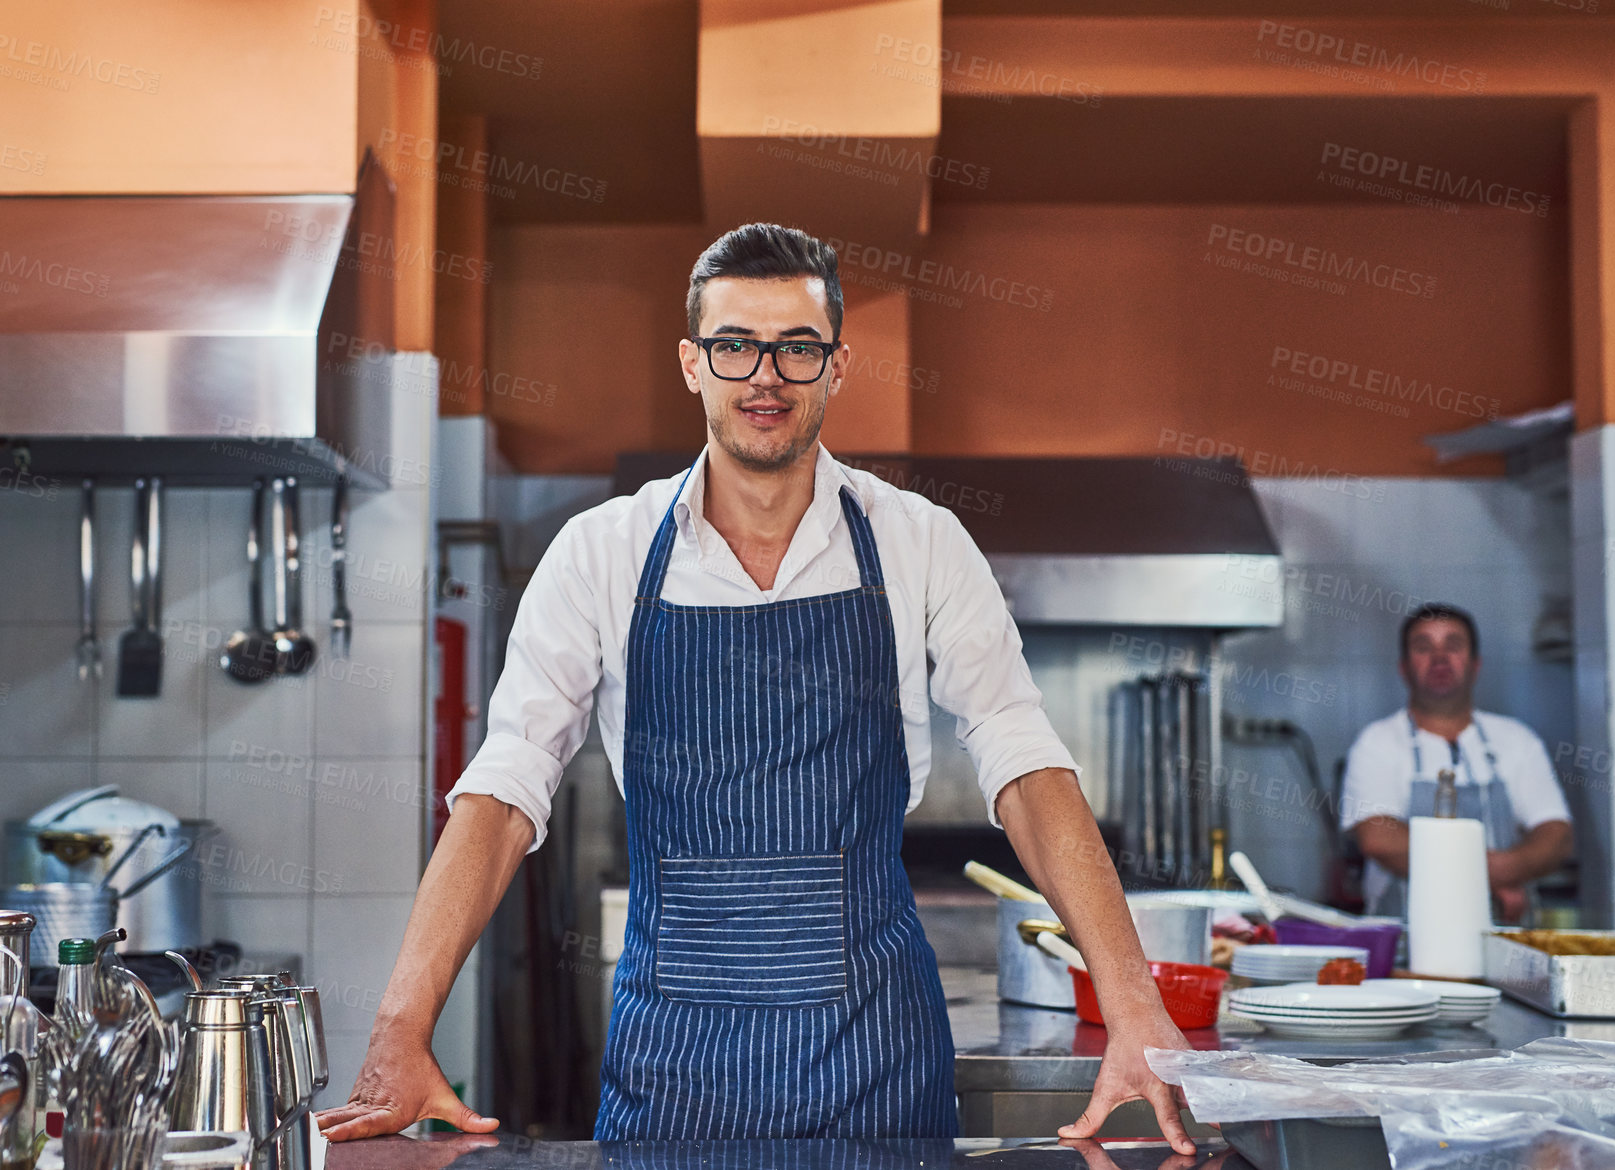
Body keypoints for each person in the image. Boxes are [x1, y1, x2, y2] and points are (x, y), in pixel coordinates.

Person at [314, 223, 1196, 1150]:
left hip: (877, 1068)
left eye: (796, 347)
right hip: (675, 1075)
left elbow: (1025, 768)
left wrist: (1133, 1006)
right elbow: (501, 793)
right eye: (735, 345)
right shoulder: (603, 553)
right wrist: (400, 1029)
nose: (764, 375)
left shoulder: (918, 542)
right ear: (693, 363)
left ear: (837, 366)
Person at [1340, 603, 1573, 920]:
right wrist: (1491, 876)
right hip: (1404, 949)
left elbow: (1556, 836)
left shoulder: (1518, 740)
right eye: (1424, 647)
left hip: (1507, 946)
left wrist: (1492, 870)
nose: (1439, 658)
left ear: (1475, 665)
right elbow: (1380, 840)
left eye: (1453, 645)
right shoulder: (1377, 742)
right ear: (1404, 667)